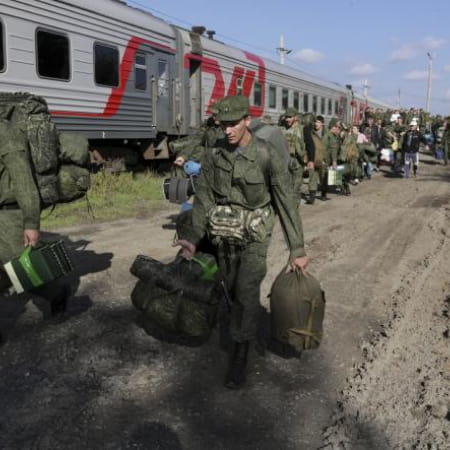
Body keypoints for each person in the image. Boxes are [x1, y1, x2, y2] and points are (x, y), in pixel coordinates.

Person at [173, 95, 308, 389]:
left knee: (246, 292)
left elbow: (286, 202)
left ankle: (240, 354)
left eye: (234, 124)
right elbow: (203, 199)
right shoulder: (214, 155)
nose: (228, 131)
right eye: (223, 125)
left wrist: (297, 249)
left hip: (254, 236)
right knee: (231, 287)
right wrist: (193, 239)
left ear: (247, 120)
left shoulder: (266, 154)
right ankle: (239, 324)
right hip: (223, 232)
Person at [0, 121, 70, 344]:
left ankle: (57, 292)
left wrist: (31, 221)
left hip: (8, 216)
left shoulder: (5, 131)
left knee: (22, 270)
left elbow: (23, 180)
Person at [280, 107, 307, 205]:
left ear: (295, 117)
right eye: (286, 117)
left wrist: (309, 161)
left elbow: (309, 145)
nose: (287, 119)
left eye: (290, 117)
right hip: (285, 162)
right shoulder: (283, 128)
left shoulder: (302, 129)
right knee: (286, 187)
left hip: (298, 162)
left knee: (295, 188)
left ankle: (293, 209)